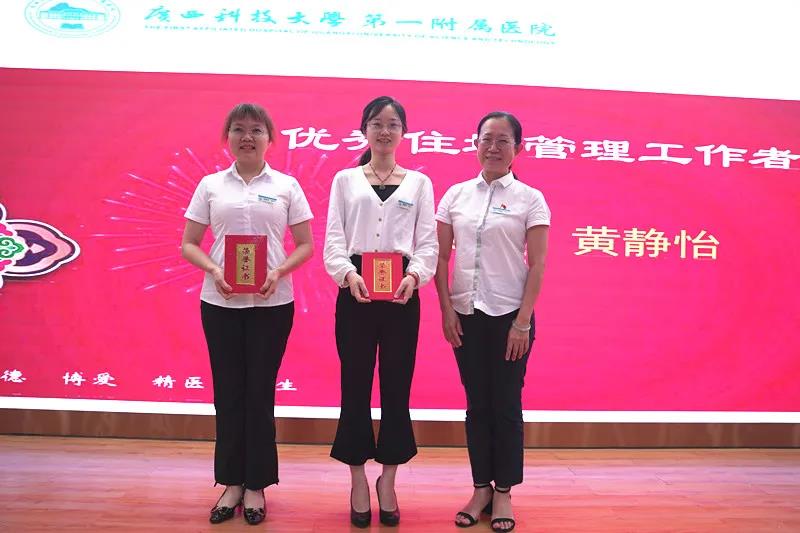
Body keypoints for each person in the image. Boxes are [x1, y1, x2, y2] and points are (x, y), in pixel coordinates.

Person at [181, 103, 314, 525]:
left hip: (272, 305)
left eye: (256, 130)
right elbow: (189, 243)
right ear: (228, 138)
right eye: (238, 130)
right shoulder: (210, 186)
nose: (247, 137)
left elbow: (306, 244)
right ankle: (231, 483)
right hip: (220, 304)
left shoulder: (287, 186)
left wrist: (278, 271)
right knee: (228, 394)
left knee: (259, 393)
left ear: (270, 139)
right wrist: (214, 269)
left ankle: (256, 484)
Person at [323, 96, 438, 528]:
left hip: (402, 292)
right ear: (364, 130)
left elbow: (427, 243)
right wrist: (347, 275)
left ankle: (388, 480)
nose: (384, 131)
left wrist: (416, 276)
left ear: (403, 132)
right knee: (354, 385)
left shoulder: (419, 183)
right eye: (376, 123)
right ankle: (357, 479)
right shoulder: (345, 180)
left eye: (392, 124)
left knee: (396, 387)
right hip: (355, 289)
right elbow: (334, 239)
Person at [434, 111, 550, 532]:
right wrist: (447, 310)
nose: (494, 147)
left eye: (503, 140)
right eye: (487, 139)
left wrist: (522, 322)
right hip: (466, 316)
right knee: (477, 405)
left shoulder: (530, 199)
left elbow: (537, 264)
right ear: (475, 143)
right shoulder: (456, 195)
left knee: (505, 405)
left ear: (518, 148)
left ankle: (504, 491)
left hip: (509, 319)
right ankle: (480, 487)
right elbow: (441, 258)